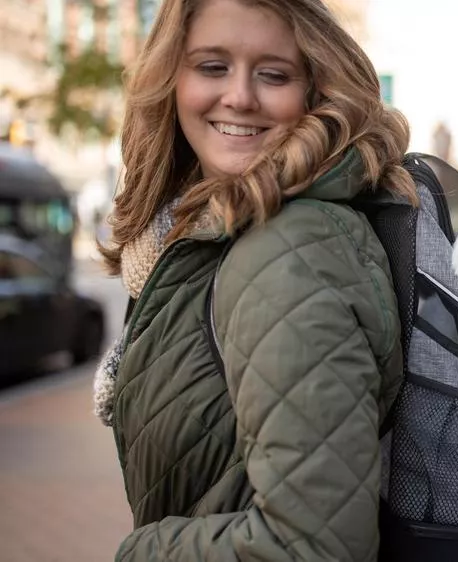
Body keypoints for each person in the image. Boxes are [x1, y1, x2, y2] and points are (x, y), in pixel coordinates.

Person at [90, 0, 416, 559]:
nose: (240, 96)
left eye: (274, 74)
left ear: (314, 90)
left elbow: (315, 546)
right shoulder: (209, 235)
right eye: (212, 66)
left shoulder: (290, 250)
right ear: (170, 80)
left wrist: (139, 554)